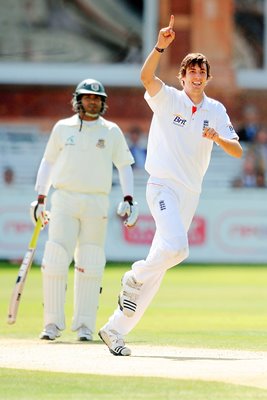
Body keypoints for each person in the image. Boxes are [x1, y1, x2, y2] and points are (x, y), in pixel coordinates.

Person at [98, 15, 243, 356]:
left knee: (158, 270)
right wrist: (161, 45)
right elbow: (145, 77)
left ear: (207, 78)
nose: (196, 76)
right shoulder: (169, 99)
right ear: (182, 77)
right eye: (191, 71)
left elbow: (236, 150)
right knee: (177, 249)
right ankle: (133, 276)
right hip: (162, 186)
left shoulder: (216, 110)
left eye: (201, 72)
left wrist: (218, 137)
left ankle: (114, 329)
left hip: (190, 193)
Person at [31, 78, 138, 341]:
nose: (93, 101)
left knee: (90, 262)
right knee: (55, 259)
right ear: (78, 99)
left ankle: (84, 327)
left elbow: (124, 165)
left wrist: (129, 197)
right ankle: (52, 325)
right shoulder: (62, 127)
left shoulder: (111, 131)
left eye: (98, 98)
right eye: (88, 97)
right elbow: (48, 162)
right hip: (64, 199)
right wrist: (40, 198)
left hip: (96, 202)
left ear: (103, 102)